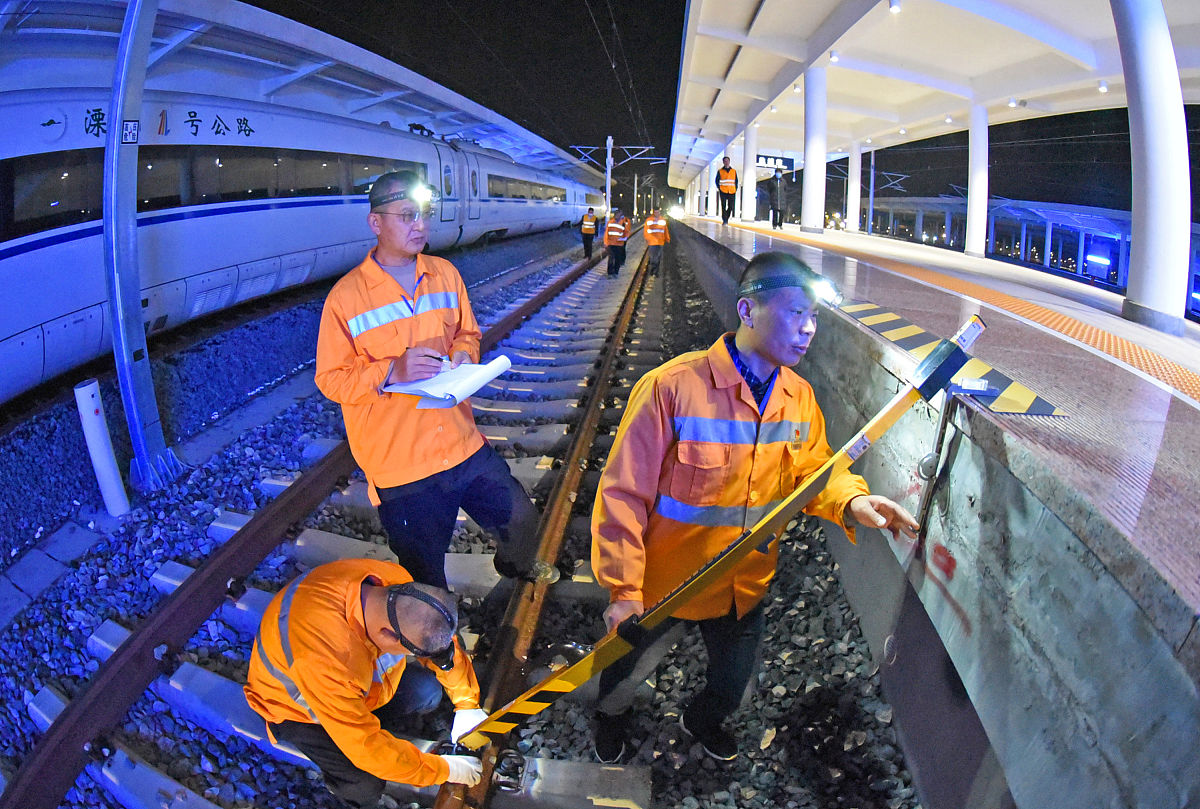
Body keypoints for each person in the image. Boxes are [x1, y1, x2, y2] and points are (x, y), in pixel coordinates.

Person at [589, 252, 919, 764]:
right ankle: (609, 719)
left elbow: (814, 473)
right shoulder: (671, 389)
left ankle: (700, 720)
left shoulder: (799, 397)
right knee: (624, 675)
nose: (809, 330)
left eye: (814, 317)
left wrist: (852, 499)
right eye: (795, 314)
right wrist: (624, 590)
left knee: (733, 690)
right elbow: (622, 495)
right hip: (664, 584)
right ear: (747, 311)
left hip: (742, 585)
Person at [314, 170, 555, 590]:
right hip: (402, 467)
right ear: (376, 223)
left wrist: (464, 354)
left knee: (522, 520)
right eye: (407, 215)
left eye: (425, 214)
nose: (421, 225)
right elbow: (331, 380)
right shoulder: (346, 298)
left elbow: (467, 333)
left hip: (460, 442)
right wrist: (391, 370)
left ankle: (515, 569)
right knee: (426, 578)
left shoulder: (445, 274)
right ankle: (438, 651)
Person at [244, 558, 490, 807]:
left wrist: (467, 703)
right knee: (364, 783)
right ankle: (349, 795)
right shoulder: (326, 657)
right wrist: (442, 770)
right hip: (298, 711)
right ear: (387, 634)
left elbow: (440, 643)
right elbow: (366, 749)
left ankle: (375, 726)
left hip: (354, 687)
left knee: (426, 692)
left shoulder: (395, 581)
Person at [603, 207, 630, 277]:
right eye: (617, 214)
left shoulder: (623, 223)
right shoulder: (610, 222)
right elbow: (606, 233)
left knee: (617, 258)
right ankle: (610, 273)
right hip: (611, 243)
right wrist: (605, 242)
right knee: (611, 257)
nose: (618, 216)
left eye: (619, 215)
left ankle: (615, 272)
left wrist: (625, 238)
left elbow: (626, 231)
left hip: (619, 243)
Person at [643, 207, 670, 275]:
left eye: (658, 212)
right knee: (652, 257)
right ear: (653, 212)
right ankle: (653, 269)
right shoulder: (649, 220)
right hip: (652, 241)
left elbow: (665, 230)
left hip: (660, 241)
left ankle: (656, 271)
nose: (657, 213)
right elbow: (646, 230)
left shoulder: (663, 220)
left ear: (659, 212)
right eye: (655, 212)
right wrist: (647, 238)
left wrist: (667, 238)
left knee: (658, 257)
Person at [715, 156, 738, 224]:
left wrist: (735, 188)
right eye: (725, 161)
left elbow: (736, 181)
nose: (726, 162)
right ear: (723, 162)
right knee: (723, 206)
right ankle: (725, 220)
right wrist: (720, 188)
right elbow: (717, 181)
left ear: (729, 162)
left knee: (731, 206)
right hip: (723, 191)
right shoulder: (720, 171)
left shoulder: (734, 171)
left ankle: (726, 218)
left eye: (727, 161)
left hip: (732, 191)